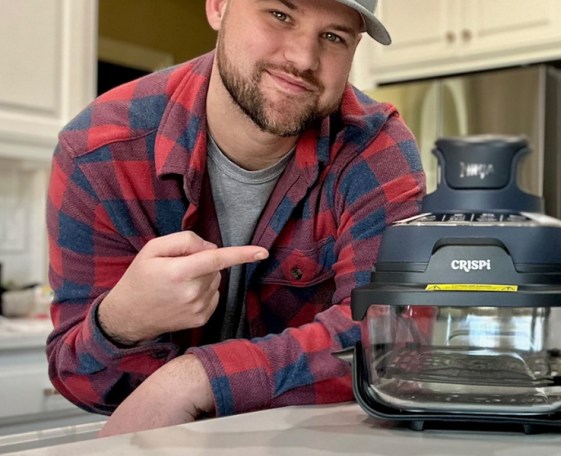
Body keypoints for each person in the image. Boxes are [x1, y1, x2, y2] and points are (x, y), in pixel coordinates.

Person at [45, 0, 425, 436]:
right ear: (218, 7)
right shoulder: (100, 152)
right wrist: (124, 321)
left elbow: (394, 339)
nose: (303, 58)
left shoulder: (375, 148)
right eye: (280, 15)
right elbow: (80, 378)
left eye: (333, 37)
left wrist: (197, 378)